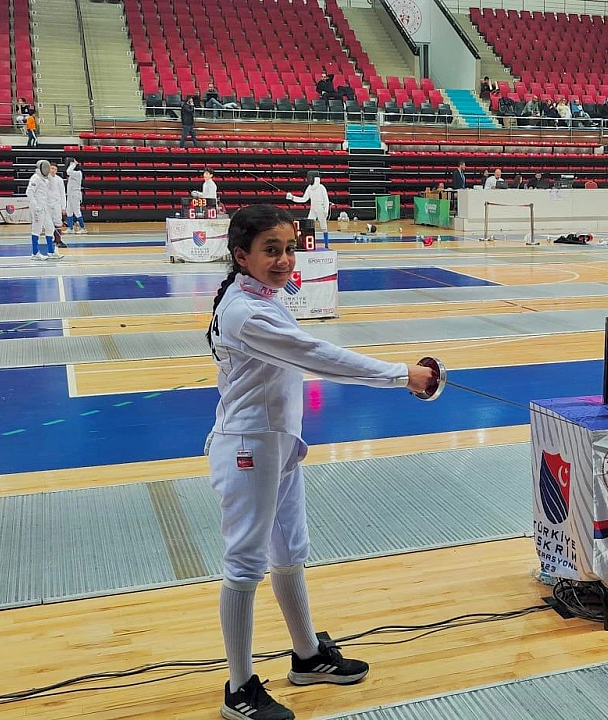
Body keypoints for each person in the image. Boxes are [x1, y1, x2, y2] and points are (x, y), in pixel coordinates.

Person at [204, 204, 436, 720]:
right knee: (244, 565)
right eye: (271, 250)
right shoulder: (246, 313)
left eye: (289, 248)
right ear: (241, 256)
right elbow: (318, 356)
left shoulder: (263, 296)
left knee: (290, 552)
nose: (285, 260)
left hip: (279, 444)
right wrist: (402, 375)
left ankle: (307, 656)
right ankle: (239, 688)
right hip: (248, 449)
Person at [286, 171, 331, 248]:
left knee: (324, 227)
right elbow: (304, 199)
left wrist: (326, 210)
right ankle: (308, 244)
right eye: (308, 178)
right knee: (309, 225)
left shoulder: (321, 187)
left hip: (321, 208)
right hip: (313, 208)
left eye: (310, 178)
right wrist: (292, 198)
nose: (309, 179)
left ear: (315, 178)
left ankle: (326, 245)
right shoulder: (309, 188)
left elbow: (326, 200)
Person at [26, 160, 60, 259]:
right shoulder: (35, 178)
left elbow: (52, 187)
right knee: (37, 229)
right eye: (45, 168)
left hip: (44, 207)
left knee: (50, 228)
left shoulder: (45, 179)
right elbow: (29, 192)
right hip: (37, 207)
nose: (47, 170)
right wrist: (35, 205)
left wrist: (50, 176)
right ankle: (35, 253)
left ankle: (51, 252)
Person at [49, 164, 68, 250]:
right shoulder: (44, 179)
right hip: (46, 204)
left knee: (57, 221)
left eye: (55, 169)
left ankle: (58, 240)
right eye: (52, 168)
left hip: (56, 203)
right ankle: (51, 239)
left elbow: (62, 193)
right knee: (48, 223)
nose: (53, 170)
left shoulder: (59, 180)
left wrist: (63, 207)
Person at [65, 158, 86, 234]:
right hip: (70, 194)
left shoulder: (78, 173)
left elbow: (68, 171)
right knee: (69, 211)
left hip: (75, 194)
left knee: (77, 212)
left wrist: (73, 164)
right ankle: (70, 228)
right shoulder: (73, 174)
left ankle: (83, 228)